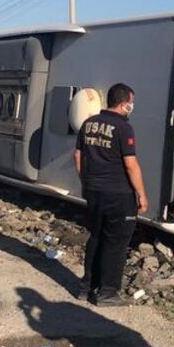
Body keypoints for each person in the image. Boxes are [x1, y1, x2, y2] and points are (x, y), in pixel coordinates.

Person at [73, 83, 149, 307]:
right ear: (125, 103)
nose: (132, 107)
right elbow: (131, 166)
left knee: (96, 237)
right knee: (116, 243)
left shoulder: (88, 124)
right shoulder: (124, 128)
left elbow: (77, 156)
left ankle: (86, 288)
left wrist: (86, 182)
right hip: (119, 194)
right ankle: (107, 292)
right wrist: (142, 195)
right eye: (131, 103)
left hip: (94, 192)